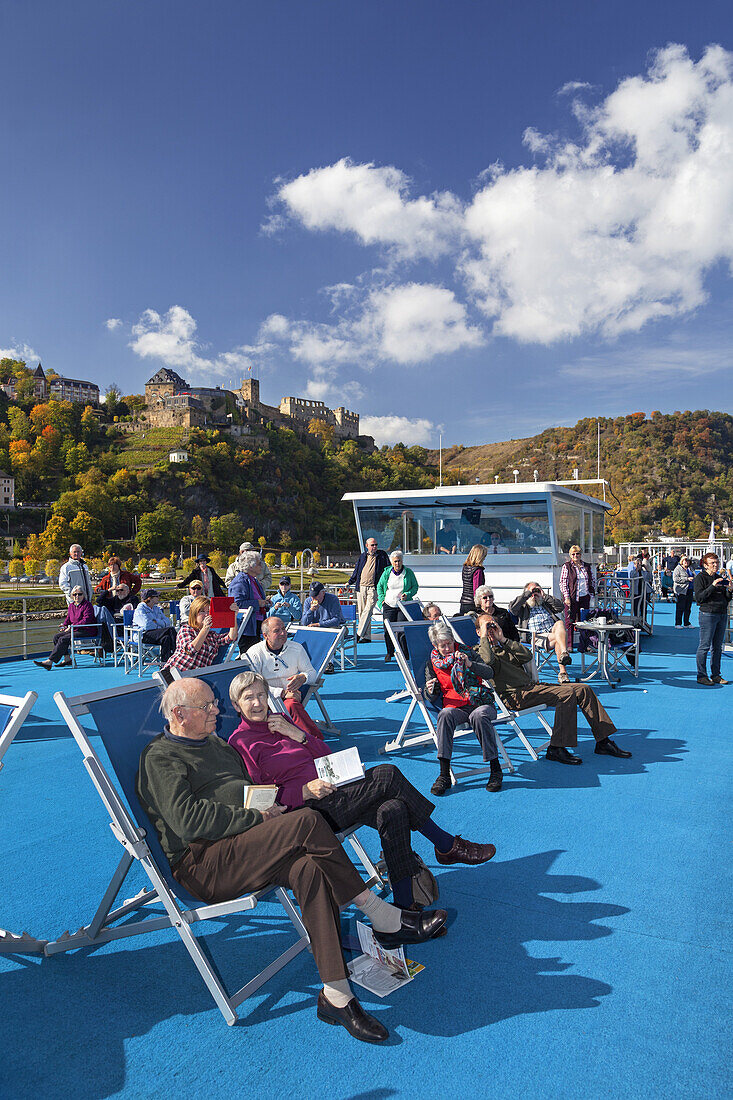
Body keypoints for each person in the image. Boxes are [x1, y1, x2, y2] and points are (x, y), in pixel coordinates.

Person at [136, 677, 447, 1043]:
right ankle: (381, 913)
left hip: (246, 846)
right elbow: (188, 822)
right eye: (207, 707)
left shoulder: (216, 746)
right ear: (179, 714)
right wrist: (261, 818)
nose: (215, 710)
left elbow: (248, 793)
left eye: (214, 704)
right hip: (204, 864)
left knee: (310, 868)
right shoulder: (162, 758)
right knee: (308, 821)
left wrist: (272, 806)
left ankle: (336, 994)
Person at [228, 670, 497, 911]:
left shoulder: (280, 720)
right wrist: (303, 792)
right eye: (248, 697)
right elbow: (260, 798)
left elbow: (324, 753)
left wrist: (296, 734)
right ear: (236, 705)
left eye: (261, 695)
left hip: (334, 789)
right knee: (387, 773)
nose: (257, 703)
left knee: (394, 809)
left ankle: (405, 906)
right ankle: (446, 844)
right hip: (307, 812)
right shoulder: (241, 742)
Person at [476, 613, 632, 766]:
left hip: (531, 688)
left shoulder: (505, 646)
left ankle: (603, 741)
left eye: (492, 625)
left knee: (584, 689)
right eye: (486, 626)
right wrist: (484, 637)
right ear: (478, 631)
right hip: (513, 695)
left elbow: (526, 656)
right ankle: (556, 748)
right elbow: (488, 661)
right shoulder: (478, 651)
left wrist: (502, 639)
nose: (490, 630)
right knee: (566, 694)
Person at [423, 621, 503, 795]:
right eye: (442, 646)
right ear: (435, 645)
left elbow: (489, 672)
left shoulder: (467, 653)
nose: (447, 649)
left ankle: (495, 769)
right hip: (455, 707)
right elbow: (430, 696)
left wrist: (470, 665)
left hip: (479, 702)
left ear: (453, 640)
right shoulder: (432, 663)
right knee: (444, 715)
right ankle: (444, 774)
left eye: (449, 644)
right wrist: (430, 690)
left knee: (479, 716)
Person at [244, 616, 323, 739]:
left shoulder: (296, 648)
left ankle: (309, 741)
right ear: (265, 635)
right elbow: (253, 684)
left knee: (291, 705)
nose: (282, 633)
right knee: (290, 706)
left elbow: (313, 674)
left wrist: (303, 677)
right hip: (264, 699)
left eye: (284, 629)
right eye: (276, 631)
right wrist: (282, 693)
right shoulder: (254, 653)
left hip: (290, 698)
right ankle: (314, 741)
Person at [508, 582, 572, 683]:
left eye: (537, 590)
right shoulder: (524, 606)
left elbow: (560, 607)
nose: (535, 594)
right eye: (532, 591)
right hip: (536, 636)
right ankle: (563, 672)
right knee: (557, 640)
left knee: (559, 622)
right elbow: (512, 608)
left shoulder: (545, 603)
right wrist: (527, 594)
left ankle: (564, 652)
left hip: (552, 631)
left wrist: (544, 596)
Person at [163, 596, 238, 672]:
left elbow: (231, 637)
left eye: (209, 611)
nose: (206, 614)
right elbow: (190, 650)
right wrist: (205, 628)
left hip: (194, 677)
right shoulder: (186, 629)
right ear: (194, 614)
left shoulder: (212, 636)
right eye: (202, 611)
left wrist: (233, 616)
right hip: (174, 673)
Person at [34, 586, 97, 670]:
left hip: (86, 630)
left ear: (84, 595)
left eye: (79, 594)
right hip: (75, 629)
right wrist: (64, 625)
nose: (77, 596)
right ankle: (67, 659)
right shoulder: (71, 606)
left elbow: (86, 620)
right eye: (75, 594)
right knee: (56, 637)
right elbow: (68, 618)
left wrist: (71, 627)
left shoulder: (87, 605)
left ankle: (49, 661)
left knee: (63, 639)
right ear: (72, 596)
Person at [693, 552, 732, 686]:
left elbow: (726, 599)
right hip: (708, 614)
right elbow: (699, 598)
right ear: (705, 565)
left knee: (717, 647)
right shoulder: (700, 578)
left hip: (721, 613)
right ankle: (701, 675)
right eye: (712, 563)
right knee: (704, 646)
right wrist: (713, 586)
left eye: (717, 562)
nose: (715, 565)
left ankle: (716, 674)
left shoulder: (720, 577)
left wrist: (730, 590)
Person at [376, 550, 418, 663]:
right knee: (387, 630)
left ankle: (404, 654)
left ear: (402, 561)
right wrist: (382, 601)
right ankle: (389, 652)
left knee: (402, 631)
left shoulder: (408, 572)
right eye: (395, 561)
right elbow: (379, 587)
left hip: (403, 605)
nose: (397, 563)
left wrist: (408, 594)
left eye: (399, 561)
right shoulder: (386, 573)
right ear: (391, 562)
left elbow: (415, 587)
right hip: (389, 605)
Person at [348, 538, 390, 643]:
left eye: (376, 544)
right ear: (367, 545)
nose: (374, 547)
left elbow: (388, 569)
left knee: (368, 610)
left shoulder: (382, 555)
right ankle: (367, 637)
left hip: (373, 588)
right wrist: (349, 582)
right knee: (362, 612)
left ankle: (358, 634)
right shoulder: (363, 556)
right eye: (372, 545)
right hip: (361, 587)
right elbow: (357, 570)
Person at [228, 550, 270, 653]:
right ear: (251, 566)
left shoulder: (253, 580)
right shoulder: (240, 581)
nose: (262, 565)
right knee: (250, 655)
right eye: (259, 563)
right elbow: (236, 604)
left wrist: (265, 603)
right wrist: (258, 603)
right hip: (246, 628)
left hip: (255, 625)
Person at [559, 545, 595, 650]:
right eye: (573, 554)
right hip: (571, 598)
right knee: (570, 621)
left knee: (585, 622)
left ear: (580, 554)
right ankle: (569, 645)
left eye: (578, 553)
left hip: (584, 597)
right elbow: (563, 583)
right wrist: (566, 597)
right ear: (570, 555)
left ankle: (585, 644)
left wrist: (591, 593)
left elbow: (592, 580)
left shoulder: (586, 566)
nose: (576, 556)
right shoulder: (567, 566)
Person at [132, 589, 177, 663]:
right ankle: (177, 655)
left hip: (155, 634)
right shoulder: (140, 609)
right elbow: (146, 625)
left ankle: (165, 663)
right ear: (150, 598)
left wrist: (156, 621)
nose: (158, 598)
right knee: (170, 630)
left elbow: (167, 622)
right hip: (142, 635)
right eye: (157, 596)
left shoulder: (157, 609)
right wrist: (160, 626)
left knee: (166, 638)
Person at [459, 544, 487, 615]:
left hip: (464, 602)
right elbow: (477, 590)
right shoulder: (478, 570)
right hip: (473, 604)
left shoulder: (465, 568)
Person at [673, 556, 695, 628]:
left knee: (688, 607)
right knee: (680, 607)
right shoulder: (678, 568)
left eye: (688, 561)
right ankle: (678, 623)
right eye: (685, 561)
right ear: (682, 561)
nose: (686, 562)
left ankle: (686, 623)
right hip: (681, 590)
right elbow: (675, 579)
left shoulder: (690, 568)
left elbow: (694, 576)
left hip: (690, 589)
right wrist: (687, 579)